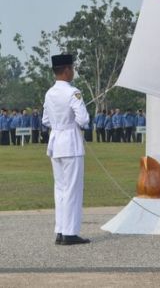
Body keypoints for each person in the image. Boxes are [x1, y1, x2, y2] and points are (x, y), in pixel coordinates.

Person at [42, 54, 91, 245]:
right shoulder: (73, 92)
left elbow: (45, 120)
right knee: (73, 189)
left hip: (55, 143)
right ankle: (70, 233)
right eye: (72, 68)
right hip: (70, 143)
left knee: (60, 189)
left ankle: (61, 231)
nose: (73, 72)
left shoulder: (49, 93)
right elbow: (84, 120)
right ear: (67, 70)